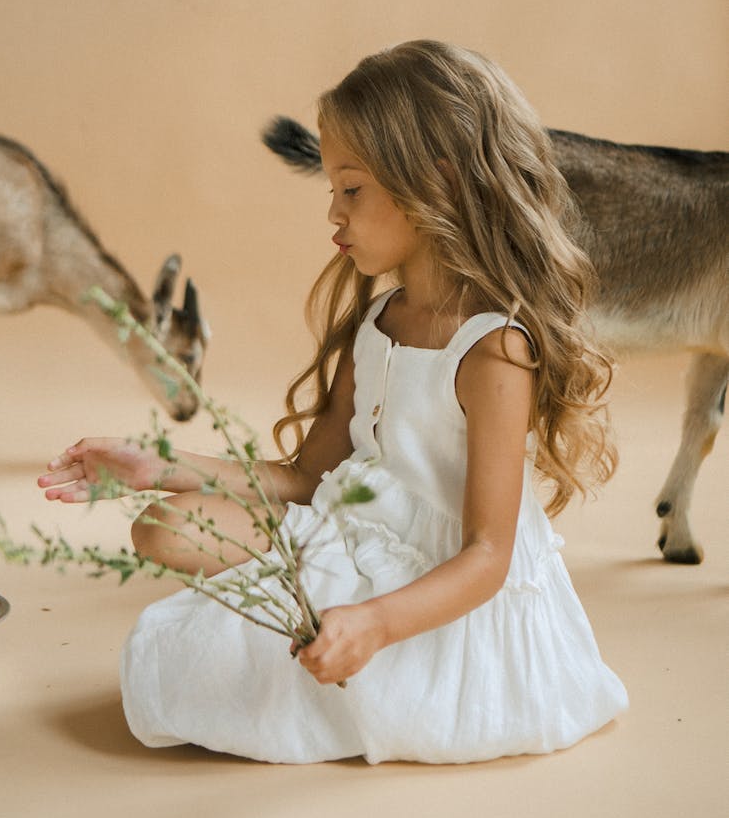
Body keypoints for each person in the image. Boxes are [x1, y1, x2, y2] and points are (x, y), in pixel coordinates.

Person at [38, 39, 628, 764]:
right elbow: (304, 476)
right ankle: (306, 636)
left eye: (351, 189)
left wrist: (374, 623)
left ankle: (352, 660)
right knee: (164, 525)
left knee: (213, 677)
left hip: (435, 589)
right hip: (351, 534)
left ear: (433, 186)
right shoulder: (377, 323)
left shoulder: (491, 349)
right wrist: (156, 465)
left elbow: (486, 557)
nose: (334, 215)